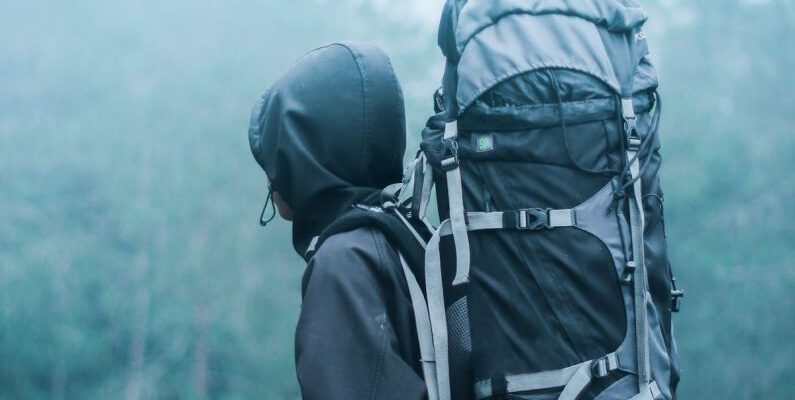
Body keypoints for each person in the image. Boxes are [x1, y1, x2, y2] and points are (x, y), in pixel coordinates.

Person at [248, 42, 428, 400]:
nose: (271, 176)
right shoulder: (409, 235)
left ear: (305, 154)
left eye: (278, 150)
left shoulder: (343, 263)